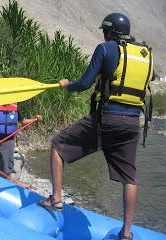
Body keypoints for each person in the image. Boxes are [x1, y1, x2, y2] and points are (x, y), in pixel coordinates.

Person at [38, 13, 154, 240]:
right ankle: (126, 233)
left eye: (104, 30)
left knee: (58, 144)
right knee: (129, 177)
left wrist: (66, 85)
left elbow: (84, 83)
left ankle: (57, 198)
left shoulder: (105, 49)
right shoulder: (144, 54)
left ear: (109, 31)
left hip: (108, 119)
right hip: (132, 124)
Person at [0, 102, 42, 176]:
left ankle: (7, 182)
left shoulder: (15, 107)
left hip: (9, 140)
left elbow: (23, 121)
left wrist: (36, 119)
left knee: (8, 166)